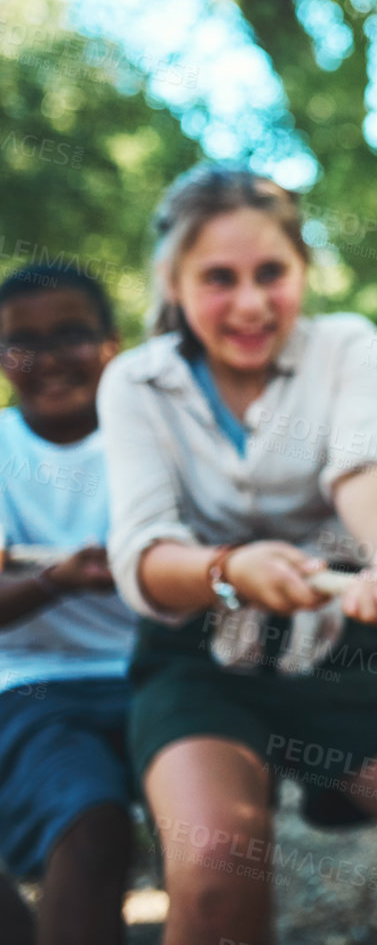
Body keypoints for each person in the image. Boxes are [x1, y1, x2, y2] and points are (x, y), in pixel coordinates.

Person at [98, 167, 377, 945]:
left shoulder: (348, 346)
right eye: (219, 279)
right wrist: (228, 569)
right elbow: (143, 550)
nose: (252, 302)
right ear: (174, 282)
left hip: (347, 645)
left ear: (303, 268)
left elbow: (364, 465)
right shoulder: (134, 382)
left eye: (272, 272)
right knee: (214, 871)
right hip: (196, 659)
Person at [0, 264, 135, 945]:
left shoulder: (152, 440)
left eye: (72, 334)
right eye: (23, 341)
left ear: (112, 343)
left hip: (160, 672)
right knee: (91, 824)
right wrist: (59, 579)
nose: (49, 358)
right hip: (29, 683)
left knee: (229, 815)